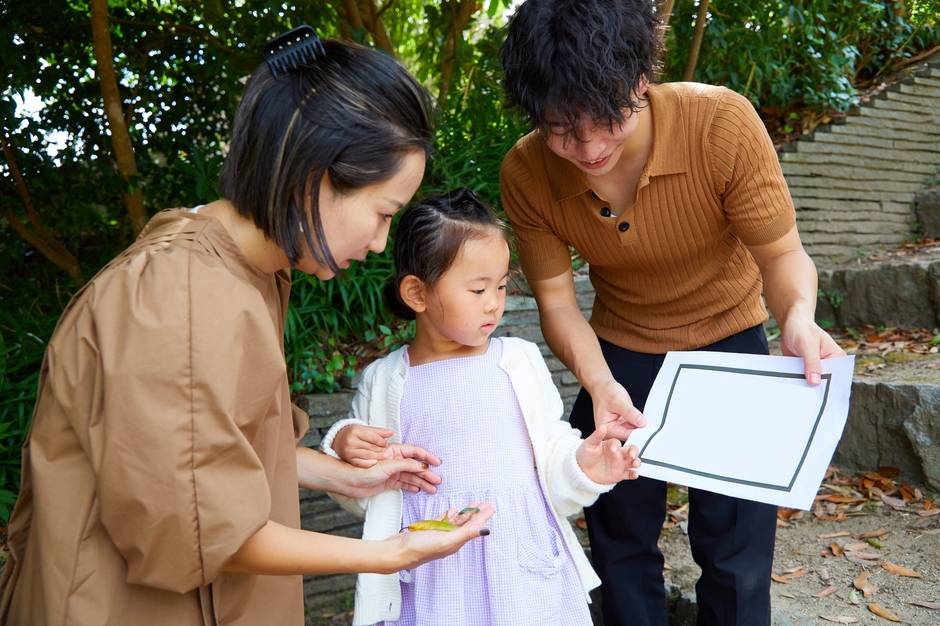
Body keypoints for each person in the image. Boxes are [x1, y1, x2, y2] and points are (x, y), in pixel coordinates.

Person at [0, 38, 494, 626]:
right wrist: (393, 554)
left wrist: (349, 478)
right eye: (383, 212)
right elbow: (199, 527)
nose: (381, 242)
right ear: (312, 177)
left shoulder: (249, 271)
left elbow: (214, 454)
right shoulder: (179, 293)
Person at [497, 1, 846, 625]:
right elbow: (556, 302)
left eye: (607, 117)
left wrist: (797, 315)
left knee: (735, 547)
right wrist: (599, 384)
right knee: (618, 539)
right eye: (561, 128)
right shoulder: (527, 172)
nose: (588, 146)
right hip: (619, 354)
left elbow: (781, 253)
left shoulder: (720, 124)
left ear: (640, 79)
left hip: (728, 341)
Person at [317, 188, 642, 626]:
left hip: (523, 573)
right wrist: (343, 443)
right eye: (477, 289)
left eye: (502, 285)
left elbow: (552, 461)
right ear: (417, 292)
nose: (494, 302)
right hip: (432, 578)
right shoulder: (385, 380)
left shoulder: (519, 361)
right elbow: (364, 498)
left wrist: (584, 467)